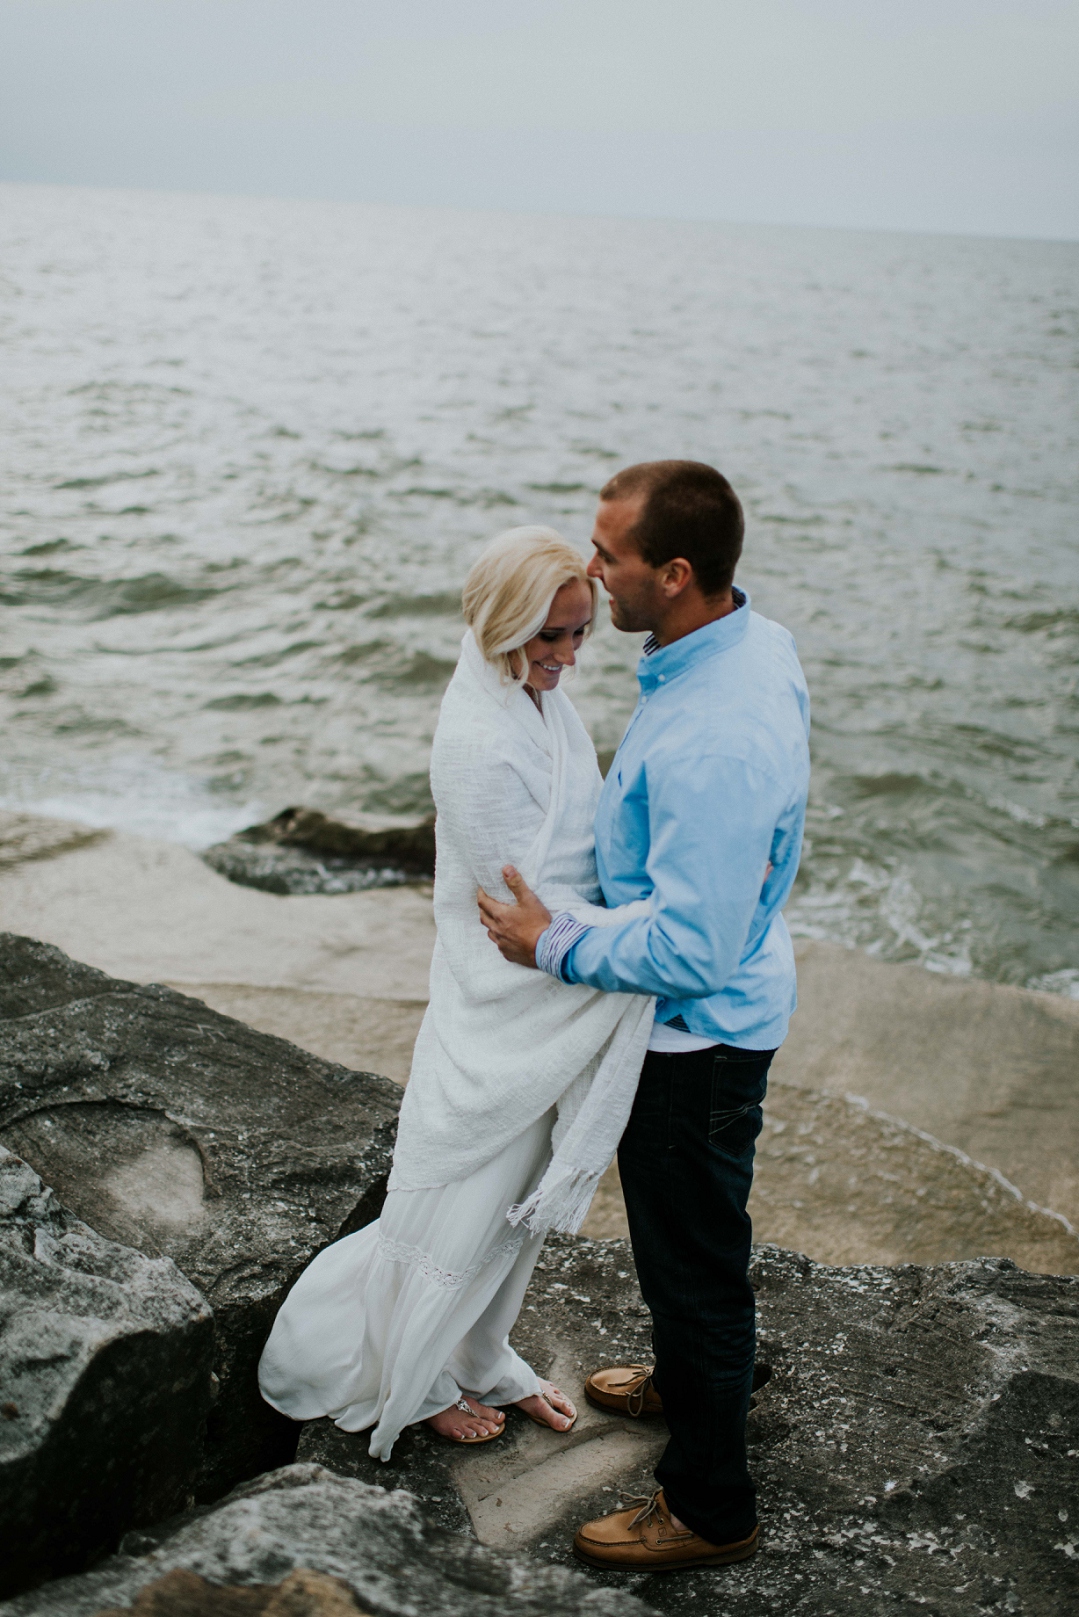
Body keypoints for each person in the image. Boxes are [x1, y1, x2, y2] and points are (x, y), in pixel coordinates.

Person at [478, 461, 811, 1570]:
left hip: (697, 1035)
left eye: (607, 555)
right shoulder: (742, 643)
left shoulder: (715, 735)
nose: (589, 568)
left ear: (673, 573)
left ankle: (709, 1508)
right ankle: (685, 1379)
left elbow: (690, 945)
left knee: (688, 1260)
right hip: (727, 1007)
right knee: (698, 1234)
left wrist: (552, 940)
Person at [258, 525, 654, 1455]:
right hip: (504, 1007)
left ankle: (477, 1350)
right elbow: (517, 909)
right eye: (547, 636)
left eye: (578, 635)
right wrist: (651, 937)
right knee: (461, 1203)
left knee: (509, 1214)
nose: (563, 658)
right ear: (499, 622)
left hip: (549, 989)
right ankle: (416, 1371)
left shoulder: (533, 700)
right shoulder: (477, 740)